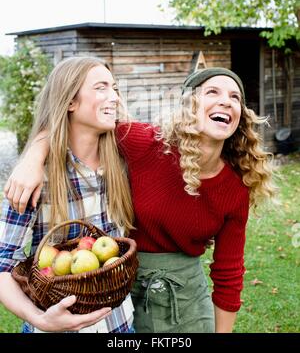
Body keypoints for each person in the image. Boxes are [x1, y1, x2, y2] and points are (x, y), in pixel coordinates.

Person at [4, 67, 276, 333]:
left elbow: (229, 274)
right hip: (122, 293)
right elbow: (70, 121)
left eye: (235, 97)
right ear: (188, 107)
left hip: (161, 304)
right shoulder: (146, 144)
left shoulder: (234, 189)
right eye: (213, 92)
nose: (225, 102)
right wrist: (35, 154)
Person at [0, 56, 136, 333]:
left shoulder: (124, 161)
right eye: (101, 88)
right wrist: (40, 320)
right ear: (71, 102)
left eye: (115, 88)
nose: (114, 97)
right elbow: (2, 265)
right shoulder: (37, 178)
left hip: (120, 324)